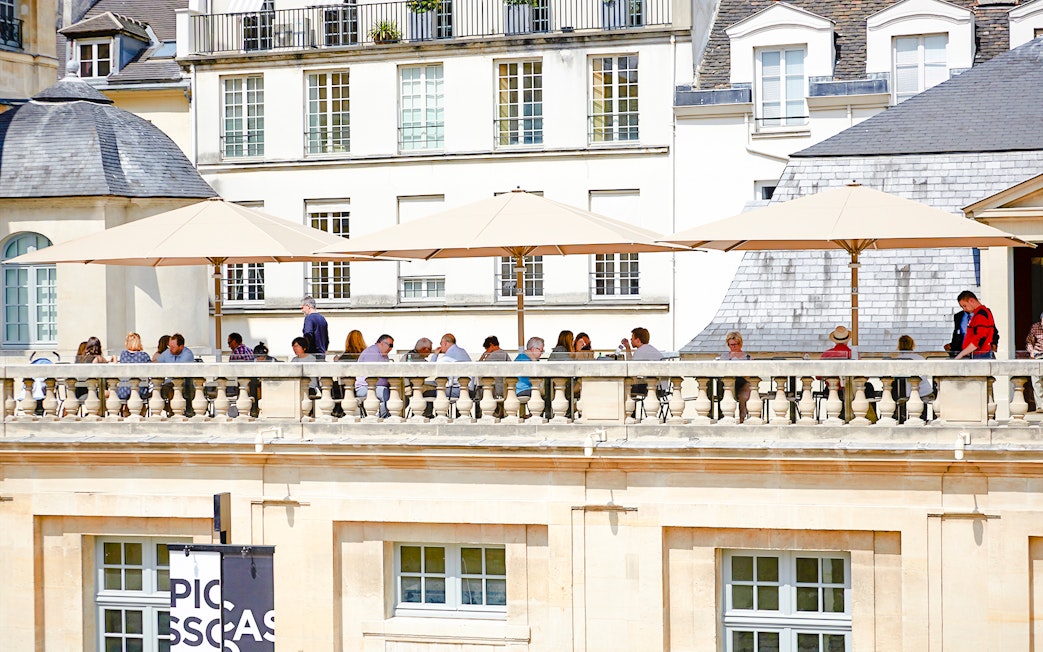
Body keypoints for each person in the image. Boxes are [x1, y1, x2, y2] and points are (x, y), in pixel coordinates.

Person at [355, 334, 394, 418]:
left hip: (376, 387)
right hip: (364, 387)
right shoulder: (372, 353)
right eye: (390, 345)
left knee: (400, 396)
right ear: (382, 343)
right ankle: (381, 418)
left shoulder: (384, 355)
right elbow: (372, 375)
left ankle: (388, 417)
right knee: (384, 393)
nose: (391, 348)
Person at [157, 333, 196, 414]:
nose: (170, 349)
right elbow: (156, 363)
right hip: (169, 382)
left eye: (173, 347)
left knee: (173, 390)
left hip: (185, 384)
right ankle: (172, 410)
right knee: (155, 393)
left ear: (181, 347)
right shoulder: (168, 352)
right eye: (169, 346)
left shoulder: (187, 354)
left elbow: (179, 371)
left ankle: (174, 412)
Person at [717, 330, 752, 422]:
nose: (733, 347)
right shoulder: (724, 357)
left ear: (740, 344)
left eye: (735, 344)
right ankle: (724, 417)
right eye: (731, 345)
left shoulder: (747, 357)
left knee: (745, 392)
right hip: (726, 381)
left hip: (742, 381)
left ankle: (742, 418)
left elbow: (750, 375)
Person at [953, 290, 997, 359]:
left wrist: (961, 355)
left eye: (965, 306)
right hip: (980, 354)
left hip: (981, 355)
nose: (964, 309)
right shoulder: (982, 312)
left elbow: (979, 338)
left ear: (971, 301)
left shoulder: (980, 315)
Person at [475, 335, 511, 418]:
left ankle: (481, 414)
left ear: (491, 345)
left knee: (479, 389)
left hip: (494, 387)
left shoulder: (493, 355)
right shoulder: (505, 354)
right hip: (504, 386)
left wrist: (483, 356)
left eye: (487, 349)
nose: (486, 351)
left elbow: (480, 369)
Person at [116, 332, 152, 412]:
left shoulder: (123, 355)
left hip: (124, 390)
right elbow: (151, 371)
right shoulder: (144, 356)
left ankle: (126, 411)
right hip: (141, 390)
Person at [430, 333, 471, 400]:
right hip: (469, 388)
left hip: (458, 390)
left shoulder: (448, 356)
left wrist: (435, 354)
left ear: (445, 343)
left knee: (429, 393)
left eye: (441, 343)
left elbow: (431, 369)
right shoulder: (462, 351)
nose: (440, 346)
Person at [514, 337, 545, 403]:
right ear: (533, 349)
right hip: (523, 390)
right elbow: (537, 374)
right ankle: (542, 413)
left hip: (518, 389)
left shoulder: (521, 356)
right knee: (547, 393)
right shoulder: (526, 359)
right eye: (541, 350)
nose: (541, 353)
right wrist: (534, 360)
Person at [1026, 313, 1043, 411]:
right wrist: (1032, 351)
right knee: (1037, 380)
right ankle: (1040, 406)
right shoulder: (1035, 327)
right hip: (1038, 355)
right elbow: (1029, 342)